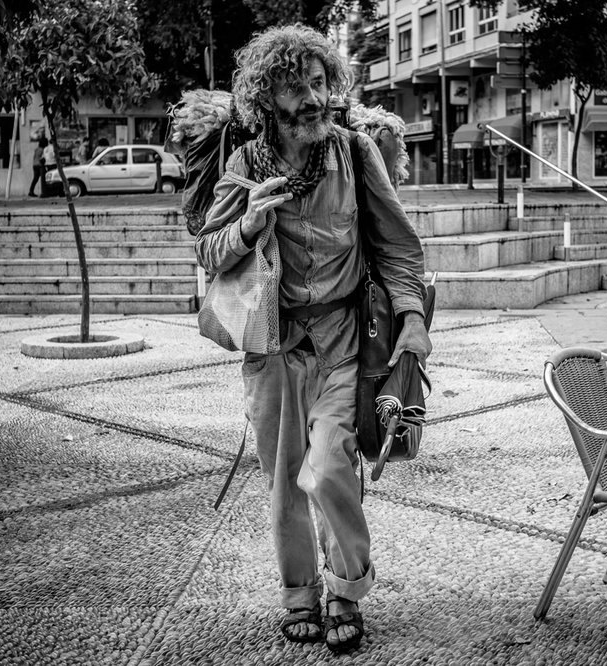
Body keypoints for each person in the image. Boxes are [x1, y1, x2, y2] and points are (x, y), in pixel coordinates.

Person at [195, 24, 430, 653]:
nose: (312, 98)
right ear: (267, 100)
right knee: (284, 478)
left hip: (344, 337)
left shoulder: (353, 154)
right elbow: (210, 251)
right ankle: (300, 594)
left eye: (320, 83)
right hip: (271, 347)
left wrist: (411, 321)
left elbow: (399, 247)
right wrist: (249, 222)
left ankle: (347, 589)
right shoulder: (246, 163)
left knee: (328, 468)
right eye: (296, 88)